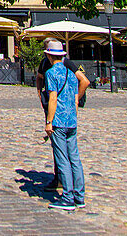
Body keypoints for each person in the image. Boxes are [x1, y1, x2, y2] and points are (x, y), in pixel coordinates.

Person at [35, 38, 89, 194]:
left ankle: (67, 194)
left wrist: (49, 122)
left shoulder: (53, 72)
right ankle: (79, 195)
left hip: (58, 118)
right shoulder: (70, 74)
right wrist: (74, 103)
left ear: (49, 55)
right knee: (74, 158)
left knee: (62, 156)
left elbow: (53, 97)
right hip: (71, 118)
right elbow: (79, 86)